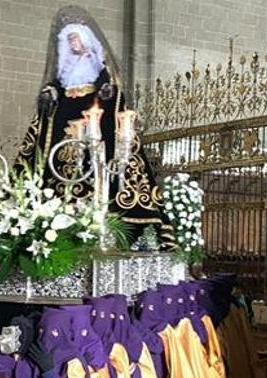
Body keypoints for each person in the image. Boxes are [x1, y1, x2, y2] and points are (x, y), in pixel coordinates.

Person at [14, 7, 168, 243]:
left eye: (75, 37)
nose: (73, 43)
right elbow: (57, 83)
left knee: (95, 161)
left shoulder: (97, 65)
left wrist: (106, 90)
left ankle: (105, 204)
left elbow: (108, 86)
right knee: (53, 160)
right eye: (69, 40)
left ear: (85, 38)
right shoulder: (66, 67)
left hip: (93, 114)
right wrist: (49, 92)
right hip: (66, 112)